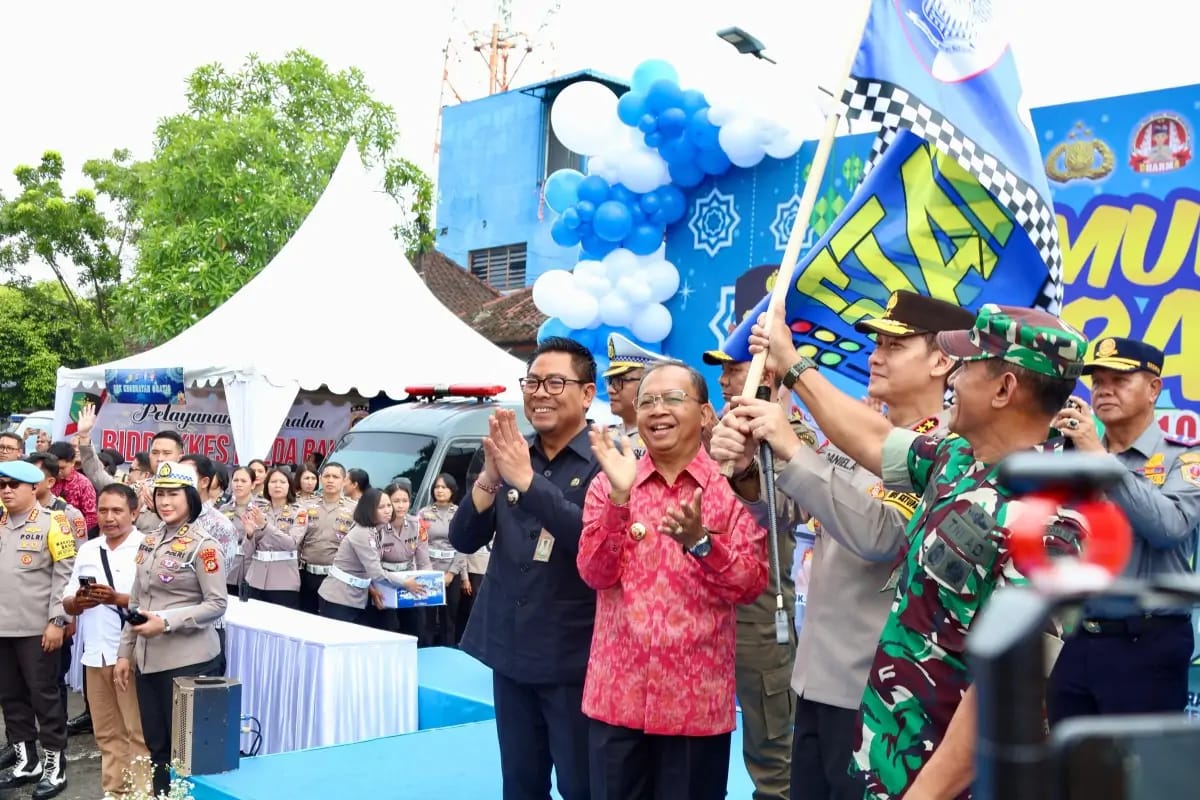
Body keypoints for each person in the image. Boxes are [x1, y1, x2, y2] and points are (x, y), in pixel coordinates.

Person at [747, 303, 1090, 799]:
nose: (954, 376)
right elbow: (875, 437)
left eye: (968, 364)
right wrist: (795, 365)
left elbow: (1002, 695)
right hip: (881, 758)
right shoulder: (957, 460)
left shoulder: (1054, 526)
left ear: (1004, 389)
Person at [711, 291, 973, 800]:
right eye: (876, 342)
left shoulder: (945, 449)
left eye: (895, 345)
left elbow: (880, 536)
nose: (875, 354)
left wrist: (789, 446)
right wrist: (748, 469)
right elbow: (797, 515)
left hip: (879, 692)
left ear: (943, 360)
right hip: (818, 678)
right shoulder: (857, 436)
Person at [580, 361, 768, 800]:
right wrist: (620, 501)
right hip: (617, 702)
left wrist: (702, 543)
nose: (656, 410)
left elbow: (751, 583)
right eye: (647, 401)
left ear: (705, 414)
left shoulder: (733, 486)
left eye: (672, 399)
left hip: (694, 706)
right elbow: (593, 573)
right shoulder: (609, 482)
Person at [449, 336, 603, 800]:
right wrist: (491, 478)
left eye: (556, 382)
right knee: (519, 782)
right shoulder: (512, 450)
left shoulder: (605, 460)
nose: (540, 392)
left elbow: (592, 541)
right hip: (510, 646)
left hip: (572, 654)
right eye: (532, 381)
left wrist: (527, 482)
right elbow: (463, 538)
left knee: (582, 785)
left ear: (588, 394)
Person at [1047, 337, 1200, 723]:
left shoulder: (1184, 456)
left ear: (1154, 389)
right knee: (1069, 774)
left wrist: (1100, 461)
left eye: (1119, 379)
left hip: (1148, 642)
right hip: (1079, 637)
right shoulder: (1076, 453)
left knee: (1136, 777)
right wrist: (1051, 446)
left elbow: (1170, 525)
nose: (1104, 390)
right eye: (1097, 382)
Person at [697, 343, 799, 800]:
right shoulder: (707, 438)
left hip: (759, 617)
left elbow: (789, 508)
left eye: (734, 370)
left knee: (772, 752)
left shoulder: (793, 440)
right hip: (698, 611)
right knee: (693, 745)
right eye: (720, 372)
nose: (722, 381)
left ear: (767, 377)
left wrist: (747, 463)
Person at [114, 461, 226, 797]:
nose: (165, 501)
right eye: (160, 493)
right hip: (149, 663)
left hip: (188, 662)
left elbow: (217, 604)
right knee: (157, 746)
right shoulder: (149, 541)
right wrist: (124, 653)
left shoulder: (203, 545)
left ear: (190, 497)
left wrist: (166, 622)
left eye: (173, 494)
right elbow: (136, 599)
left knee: (188, 753)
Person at [61, 483, 148, 799]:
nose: (108, 517)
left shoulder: (147, 547)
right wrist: (79, 603)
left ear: (135, 513)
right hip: (94, 654)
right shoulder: (88, 549)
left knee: (136, 732)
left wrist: (116, 598)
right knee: (106, 733)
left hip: (129, 655)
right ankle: (115, 791)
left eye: (117, 511)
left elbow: (155, 604)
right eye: (103, 510)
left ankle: (141, 793)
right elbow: (67, 600)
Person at [0, 460, 76, 797]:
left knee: (44, 697)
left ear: (34, 488)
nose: (6, 490)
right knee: (11, 698)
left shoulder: (54, 522)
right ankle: (25, 760)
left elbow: (65, 575)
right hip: (2, 629)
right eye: (2, 485)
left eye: (14, 485)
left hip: (36, 629)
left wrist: (57, 620)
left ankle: (54, 766)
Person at [27, 453, 90, 734]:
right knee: (17, 683)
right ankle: (20, 742)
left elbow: (76, 567)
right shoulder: (11, 511)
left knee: (51, 680)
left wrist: (68, 616)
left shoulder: (67, 515)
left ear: (50, 481)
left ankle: (55, 736)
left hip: (54, 610)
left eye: (33, 476)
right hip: (21, 611)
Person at [318, 488, 426, 623]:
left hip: (356, 596)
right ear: (369, 510)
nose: (388, 510)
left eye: (388, 505)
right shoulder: (362, 533)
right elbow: (376, 572)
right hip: (338, 597)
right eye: (381, 507)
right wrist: (405, 583)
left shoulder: (376, 530)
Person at [74, 404, 180, 532]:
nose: (160, 458)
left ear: (179, 457)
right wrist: (84, 437)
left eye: (167, 453)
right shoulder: (140, 488)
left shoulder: (190, 492)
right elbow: (98, 475)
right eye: (155, 453)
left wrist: (161, 512)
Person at [181, 454, 239, 671]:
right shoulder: (168, 520)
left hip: (204, 630)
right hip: (169, 630)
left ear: (204, 482)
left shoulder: (220, 526)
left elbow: (216, 583)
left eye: (186, 476)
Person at [369, 480, 432, 635]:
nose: (401, 506)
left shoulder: (416, 525)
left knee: (415, 628)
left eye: (405, 501)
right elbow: (371, 566)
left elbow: (424, 561)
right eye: (395, 501)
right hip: (383, 582)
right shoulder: (377, 528)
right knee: (387, 629)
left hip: (410, 580)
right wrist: (371, 589)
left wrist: (428, 584)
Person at [242, 468, 306, 608]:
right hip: (255, 579)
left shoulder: (299, 511)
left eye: (282, 482)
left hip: (283, 581)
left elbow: (292, 544)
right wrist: (250, 534)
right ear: (267, 486)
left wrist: (265, 526)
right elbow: (247, 552)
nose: (277, 485)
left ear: (290, 485)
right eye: (273, 482)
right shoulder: (258, 510)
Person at [418, 473, 469, 646]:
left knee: (449, 619)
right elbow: (420, 543)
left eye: (444, 487)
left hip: (451, 572)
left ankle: (447, 652)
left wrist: (452, 573)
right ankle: (427, 651)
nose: (439, 491)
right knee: (428, 619)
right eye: (437, 487)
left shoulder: (460, 513)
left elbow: (463, 546)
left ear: (452, 490)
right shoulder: (424, 513)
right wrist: (427, 571)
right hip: (430, 570)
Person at [298, 462, 356, 613]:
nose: (330, 480)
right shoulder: (305, 506)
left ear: (344, 481)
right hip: (306, 574)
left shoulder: (354, 509)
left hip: (336, 577)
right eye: (327, 476)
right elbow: (297, 541)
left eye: (335, 477)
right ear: (320, 479)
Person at [603, 332, 667, 459]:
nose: (610, 390)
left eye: (619, 381)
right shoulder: (606, 435)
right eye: (610, 381)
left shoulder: (662, 438)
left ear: (647, 383)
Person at [220, 467, 268, 595]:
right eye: (235, 480)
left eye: (243, 481)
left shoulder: (262, 509)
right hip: (228, 567)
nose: (238, 484)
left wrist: (251, 533)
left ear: (252, 485)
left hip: (251, 567)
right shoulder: (224, 509)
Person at [48, 441, 97, 536]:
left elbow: (91, 517)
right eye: (56, 468)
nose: (58, 472)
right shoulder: (47, 480)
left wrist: (75, 531)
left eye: (62, 468)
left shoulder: (83, 484)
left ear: (72, 462)